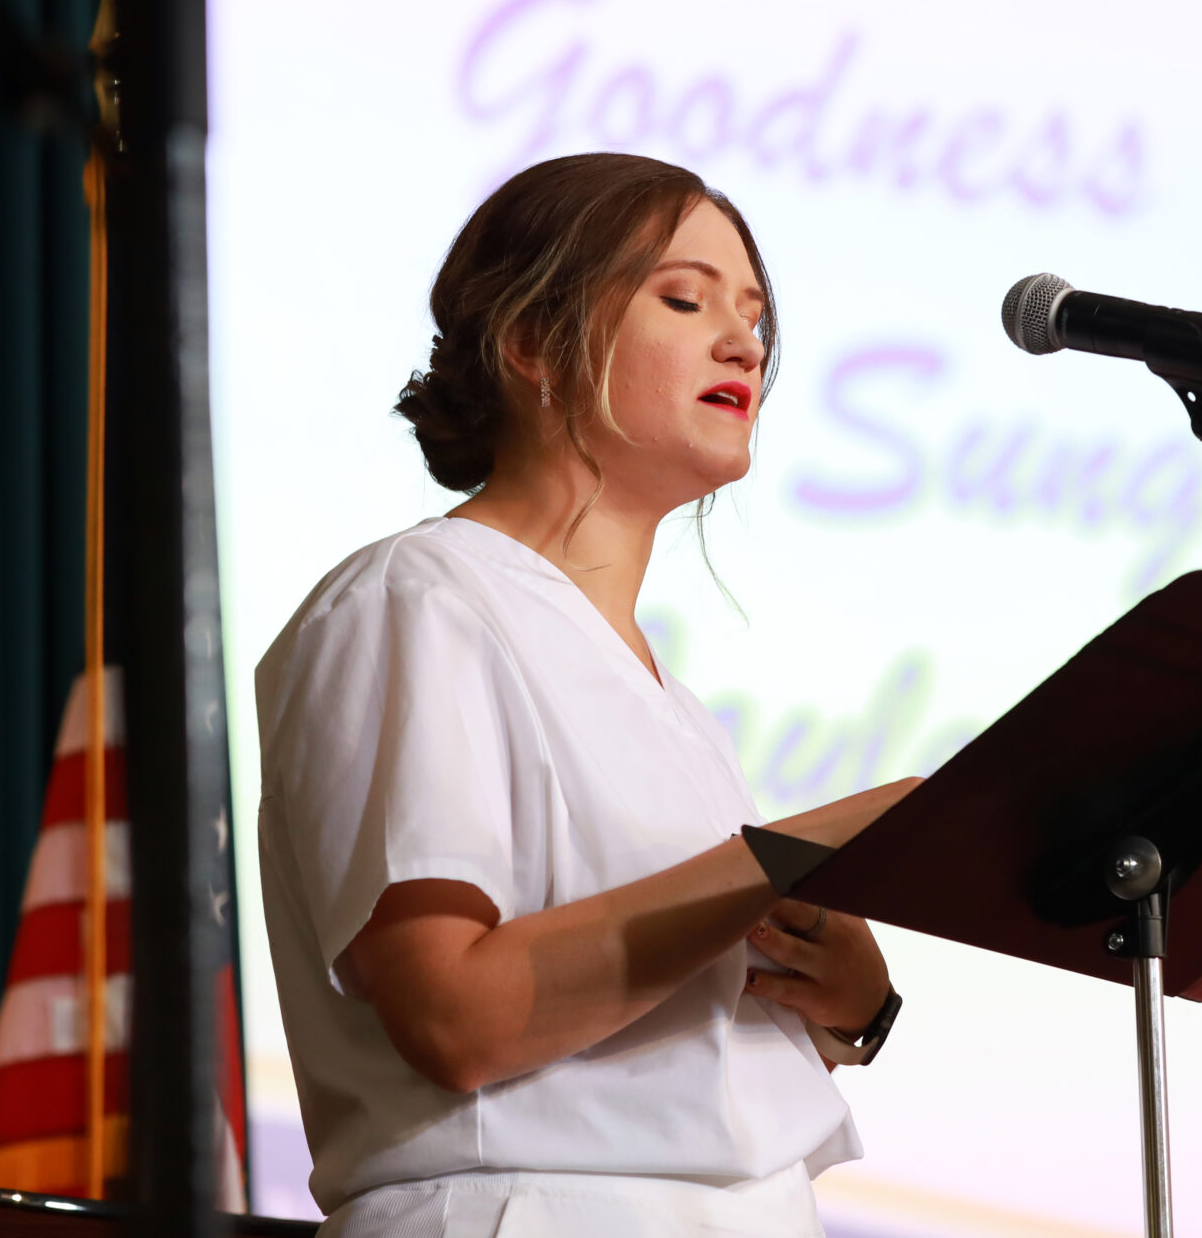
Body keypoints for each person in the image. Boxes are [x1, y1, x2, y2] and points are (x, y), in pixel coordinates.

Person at [254, 153, 917, 1236]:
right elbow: (454, 1015)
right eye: (684, 299)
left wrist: (855, 1002)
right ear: (531, 343)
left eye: (754, 317)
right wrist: (788, 855)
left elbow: (677, 1046)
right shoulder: (416, 598)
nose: (743, 343)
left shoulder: (677, 708)